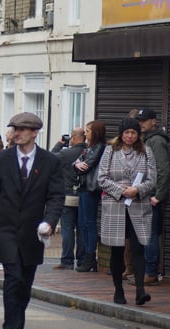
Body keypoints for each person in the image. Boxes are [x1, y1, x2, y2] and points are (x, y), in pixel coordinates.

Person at [0, 112, 64, 329]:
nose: (17, 133)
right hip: (6, 229)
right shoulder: (0, 159)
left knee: (25, 282)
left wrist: (51, 222)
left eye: (23, 129)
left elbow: (55, 197)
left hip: (34, 233)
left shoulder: (50, 161)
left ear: (34, 133)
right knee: (13, 277)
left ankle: (13, 324)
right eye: (15, 128)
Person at [98, 118, 156, 305]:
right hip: (116, 206)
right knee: (117, 250)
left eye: (133, 133)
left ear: (138, 135)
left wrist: (138, 190)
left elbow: (152, 179)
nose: (130, 136)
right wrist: (121, 190)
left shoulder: (147, 152)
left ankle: (140, 290)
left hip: (138, 206)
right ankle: (118, 291)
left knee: (138, 248)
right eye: (127, 133)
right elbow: (102, 178)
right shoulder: (110, 151)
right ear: (121, 134)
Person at [136, 109, 169, 285]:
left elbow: (163, 169)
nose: (141, 123)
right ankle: (147, 272)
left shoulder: (156, 141)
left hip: (152, 196)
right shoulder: (147, 140)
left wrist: (159, 195)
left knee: (150, 234)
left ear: (153, 122)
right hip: (145, 194)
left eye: (145, 120)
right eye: (140, 120)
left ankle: (150, 273)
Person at [73, 120, 107, 273]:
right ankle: (87, 256)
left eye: (88, 131)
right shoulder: (89, 147)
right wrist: (76, 164)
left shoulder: (100, 148)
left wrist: (78, 165)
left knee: (89, 223)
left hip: (91, 189)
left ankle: (90, 256)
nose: (85, 134)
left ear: (96, 132)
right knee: (82, 224)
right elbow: (77, 163)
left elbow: (87, 165)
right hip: (83, 187)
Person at [51, 128, 87, 270]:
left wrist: (59, 144)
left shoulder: (66, 153)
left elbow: (50, 158)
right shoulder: (88, 152)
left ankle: (67, 261)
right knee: (82, 230)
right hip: (83, 196)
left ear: (73, 138)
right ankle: (82, 260)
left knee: (67, 230)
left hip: (68, 196)